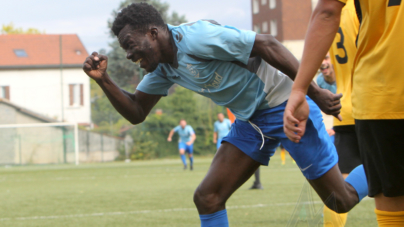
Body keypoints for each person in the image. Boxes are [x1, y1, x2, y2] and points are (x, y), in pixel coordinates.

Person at [82, 3, 368, 226]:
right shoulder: (162, 67)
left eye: (131, 45)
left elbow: (267, 44)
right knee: (208, 198)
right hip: (251, 123)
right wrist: (103, 80)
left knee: (340, 200)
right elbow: (136, 111)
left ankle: (385, 164)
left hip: (284, 107)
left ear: (153, 34)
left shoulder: (197, 37)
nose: (129, 55)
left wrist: (313, 92)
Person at [283, 0, 404, 226]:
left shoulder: (344, 11)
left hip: (369, 100)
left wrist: (300, 88)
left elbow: (326, 13)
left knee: (356, 195)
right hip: (381, 97)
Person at [319, 1, 363, 226]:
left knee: (342, 185)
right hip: (375, 103)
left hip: (346, 108)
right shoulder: (366, 7)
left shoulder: (332, 11)